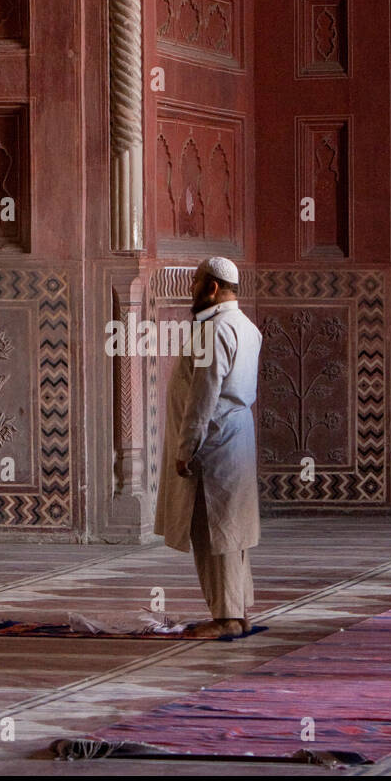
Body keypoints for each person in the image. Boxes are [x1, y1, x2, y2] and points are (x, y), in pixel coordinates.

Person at [154, 256, 264, 639]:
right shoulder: (246, 327)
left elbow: (203, 396)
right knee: (231, 528)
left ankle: (226, 619)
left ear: (212, 288)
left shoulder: (213, 330)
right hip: (235, 437)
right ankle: (237, 609)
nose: (191, 290)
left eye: (196, 282)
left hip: (213, 441)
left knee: (213, 529)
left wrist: (186, 448)